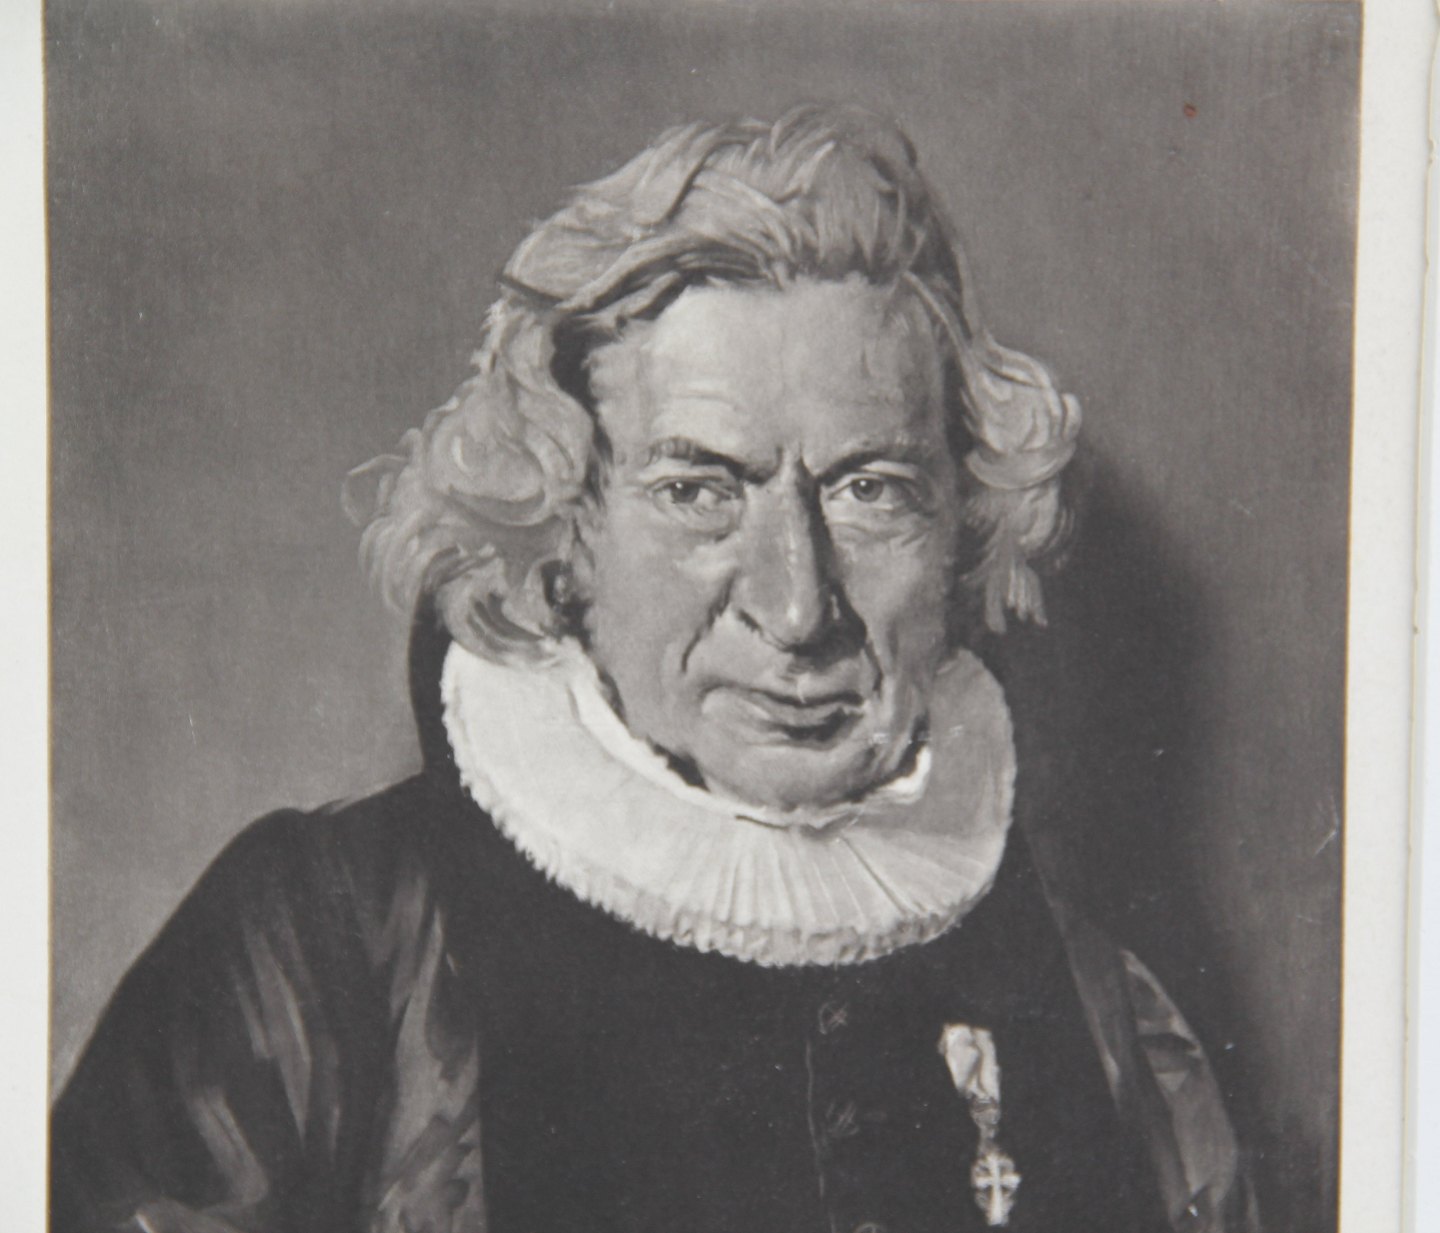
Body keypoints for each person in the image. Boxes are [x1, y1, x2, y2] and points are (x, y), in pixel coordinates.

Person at [51, 104, 1258, 1233]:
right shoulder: (311, 961)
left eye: (869, 490)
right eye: (698, 492)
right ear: (564, 534)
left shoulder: (1110, 1025)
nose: (796, 606)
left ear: (963, 529)